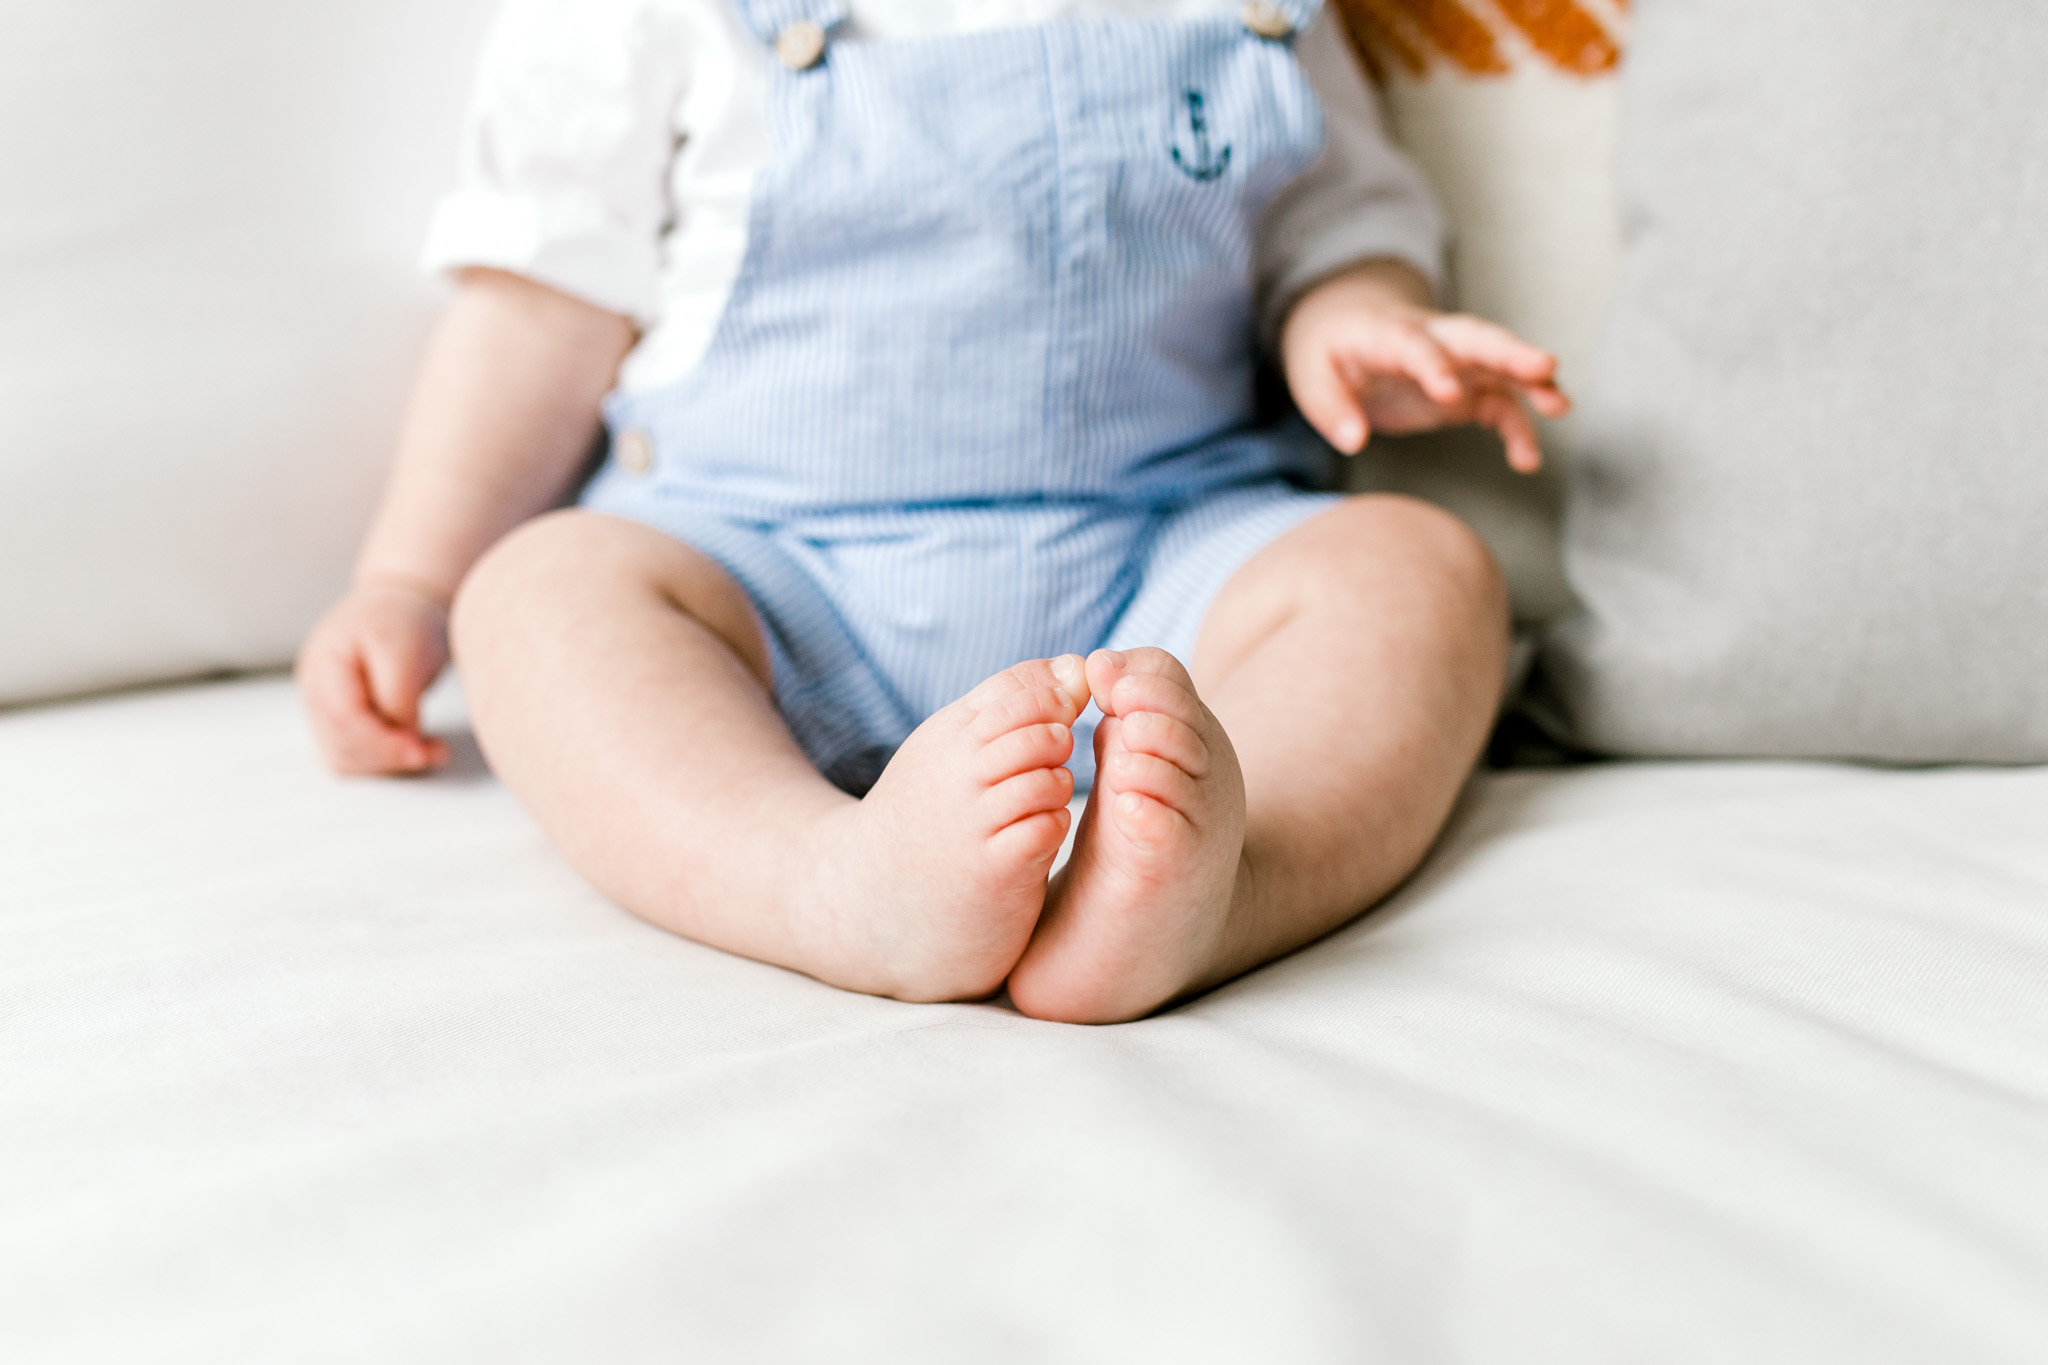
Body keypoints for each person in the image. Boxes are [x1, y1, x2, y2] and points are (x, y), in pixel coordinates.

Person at [297, 0, 1569, 1024]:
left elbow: (1334, 218)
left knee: (1419, 565)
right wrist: (412, 578)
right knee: (539, 595)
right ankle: (827, 883)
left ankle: (1228, 881)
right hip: (770, 575)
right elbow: (536, 309)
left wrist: (1354, 319)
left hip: (1161, 566)